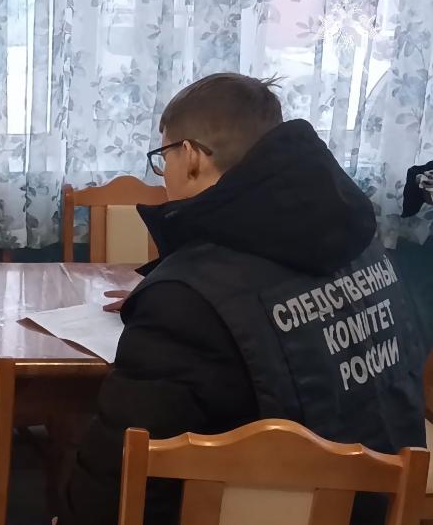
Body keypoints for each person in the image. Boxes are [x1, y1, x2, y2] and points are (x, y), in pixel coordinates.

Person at [57, 73, 426, 525]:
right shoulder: (360, 241)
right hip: (379, 504)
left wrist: (178, 297)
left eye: (163, 157)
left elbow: (112, 486)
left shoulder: (185, 306)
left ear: (191, 157)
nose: (162, 174)